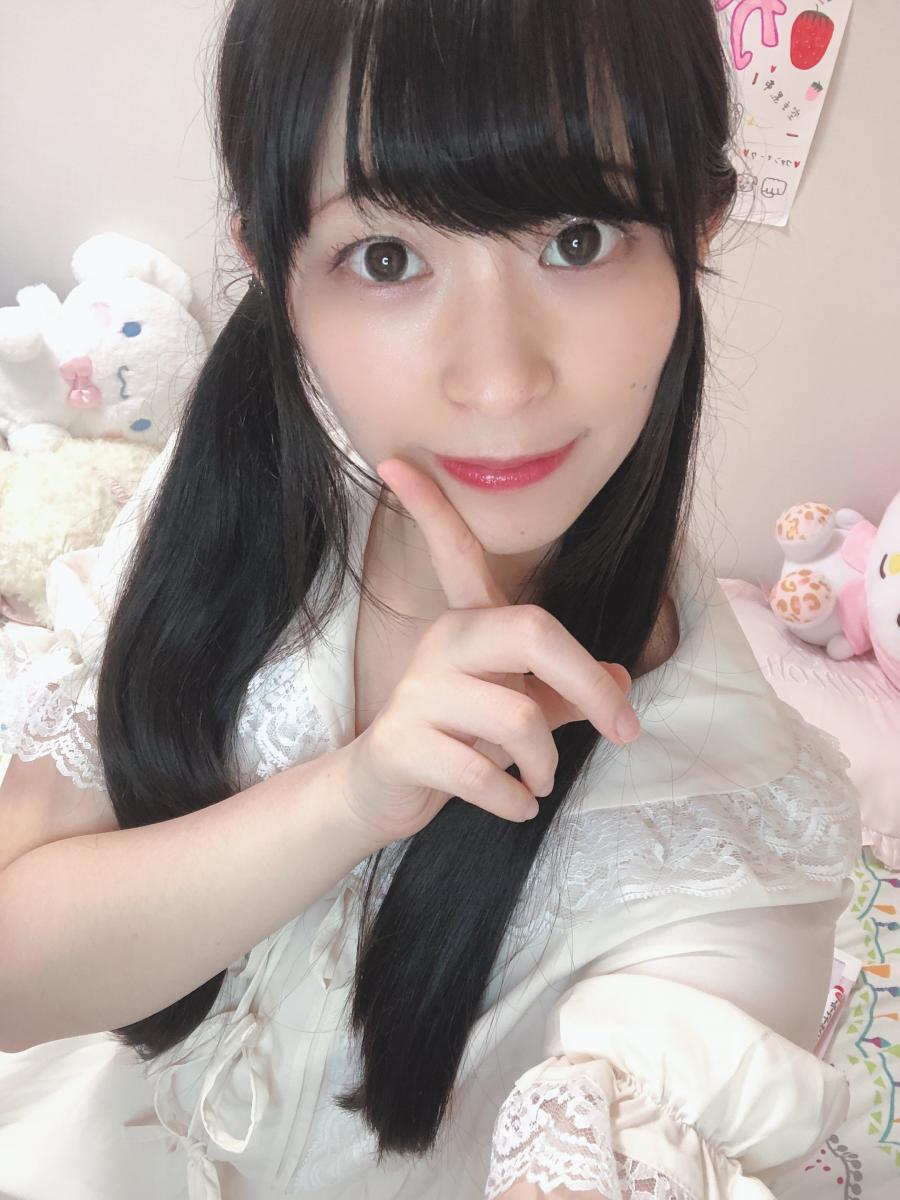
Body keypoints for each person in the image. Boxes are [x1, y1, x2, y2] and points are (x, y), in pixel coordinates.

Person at [0, 1, 862, 1198]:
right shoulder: (227, 504)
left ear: (696, 226)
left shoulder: (727, 822)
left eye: (578, 237)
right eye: (387, 259)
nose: (499, 381)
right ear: (272, 267)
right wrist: (352, 797)